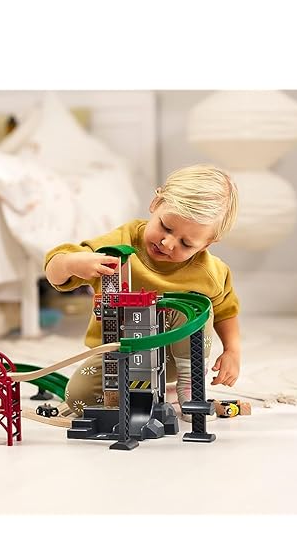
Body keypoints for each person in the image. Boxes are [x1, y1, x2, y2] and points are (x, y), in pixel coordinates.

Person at [43, 163, 241, 420]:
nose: (168, 243)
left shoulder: (209, 271)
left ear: (206, 244)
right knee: (79, 400)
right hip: (117, 355)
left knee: (195, 306)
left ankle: (188, 386)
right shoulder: (118, 244)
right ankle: (156, 394)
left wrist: (232, 351)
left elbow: (226, 310)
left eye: (186, 243)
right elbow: (54, 270)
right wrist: (72, 263)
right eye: (166, 227)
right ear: (156, 203)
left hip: (173, 359)